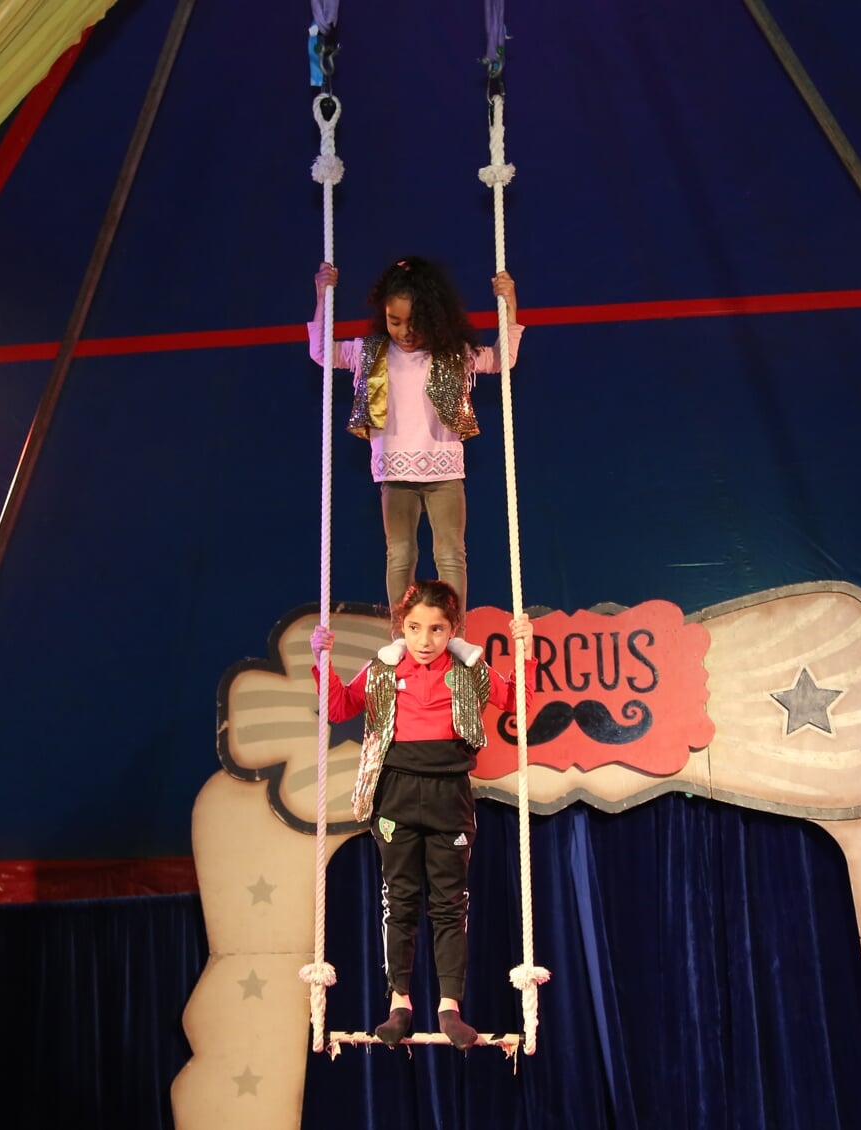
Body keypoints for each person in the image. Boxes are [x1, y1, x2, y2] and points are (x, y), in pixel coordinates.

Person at [310, 579, 536, 1050]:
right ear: (402, 628)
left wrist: (524, 654)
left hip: (449, 793)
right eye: (414, 628)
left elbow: (517, 703)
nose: (424, 640)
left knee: (450, 904)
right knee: (401, 899)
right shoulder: (383, 670)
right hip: (396, 794)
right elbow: (338, 706)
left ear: (452, 629)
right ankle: (400, 1004)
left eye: (436, 629)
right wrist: (322, 660)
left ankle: (450, 1007)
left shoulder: (469, 669)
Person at [310, 257, 523, 609]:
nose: (405, 331)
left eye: (415, 323)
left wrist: (509, 306)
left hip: (444, 471)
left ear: (434, 319)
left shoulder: (451, 354)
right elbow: (321, 352)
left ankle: (454, 634)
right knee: (401, 555)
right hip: (395, 472)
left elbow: (502, 359)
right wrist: (322, 296)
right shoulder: (370, 352)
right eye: (395, 321)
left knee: (451, 555)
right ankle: (400, 636)